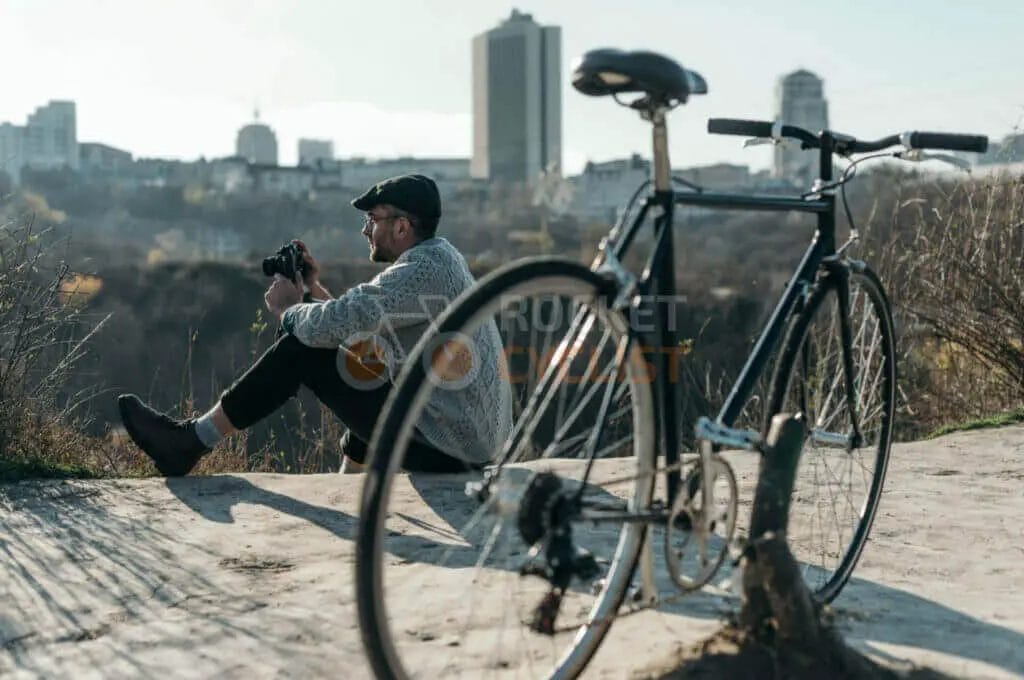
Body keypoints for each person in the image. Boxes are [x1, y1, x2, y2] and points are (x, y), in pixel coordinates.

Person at [118, 174, 513, 476]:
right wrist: (311, 289)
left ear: (402, 227)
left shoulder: (422, 270)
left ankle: (189, 443)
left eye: (371, 219)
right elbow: (359, 330)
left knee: (302, 350)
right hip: (464, 439)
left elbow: (335, 326)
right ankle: (347, 490)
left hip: (449, 448)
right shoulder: (440, 259)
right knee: (365, 371)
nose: (364, 229)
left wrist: (290, 311)